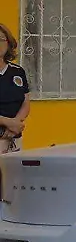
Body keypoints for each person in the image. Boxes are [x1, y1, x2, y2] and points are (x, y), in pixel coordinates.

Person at [0, 23, 30, 155]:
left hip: (14, 140)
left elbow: (25, 102)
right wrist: (8, 123)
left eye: (1, 39)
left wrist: (15, 125)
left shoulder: (17, 72)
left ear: (8, 42)